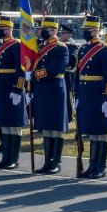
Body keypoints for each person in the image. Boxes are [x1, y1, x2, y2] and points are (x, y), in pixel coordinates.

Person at [74, 15, 107, 179]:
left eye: (89, 30)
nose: (86, 33)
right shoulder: (82, 49)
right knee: (92, 131)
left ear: (97, 30)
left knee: (102, 131)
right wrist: (76, 94)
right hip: (86, 94)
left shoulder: (105, 49)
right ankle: (92, 165)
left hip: (99, 94)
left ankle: (101, 166)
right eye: (84, 30)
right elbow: (78, 74)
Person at [0, 15, 28, 169]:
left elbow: (21, 69)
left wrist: (18, 88)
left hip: (11, 89)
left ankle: (13, 159)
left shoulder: (16, 45)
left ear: (9, 29)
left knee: (14, 125)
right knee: (3, 124)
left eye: (0, 28)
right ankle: (5, 158)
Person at [31, 17, 70, 174]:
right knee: (46, 126)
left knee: (55, 127)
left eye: (44, 29)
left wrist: (33, 76)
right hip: (42, 90)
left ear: (54, 30)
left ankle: (56, 162)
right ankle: (48, 161)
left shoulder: (61, 48)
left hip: (55, 89)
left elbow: (54, 69)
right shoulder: (40, 47)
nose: (41, 32)